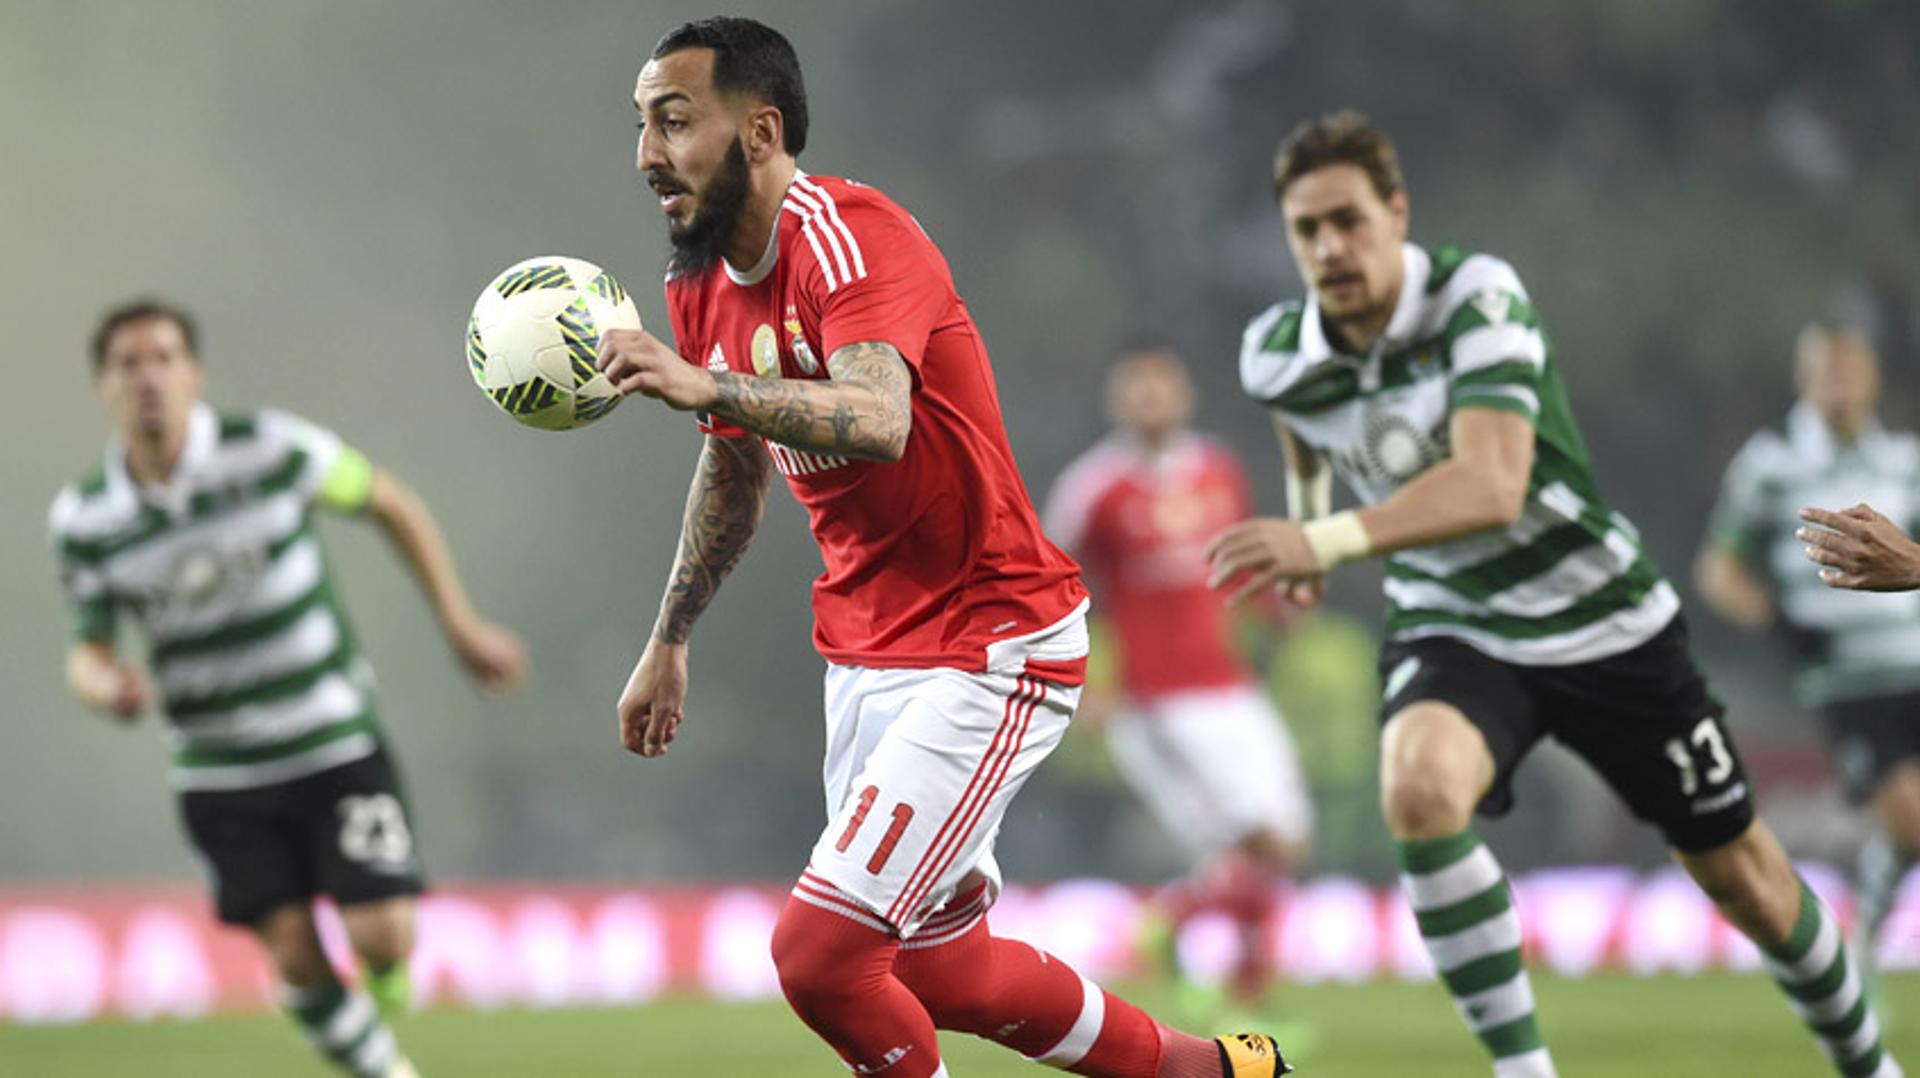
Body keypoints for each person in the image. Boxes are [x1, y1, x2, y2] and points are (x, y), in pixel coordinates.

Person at [596, 17, 1288, 1078]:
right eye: (642, 126)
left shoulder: (856, 237)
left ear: (763, 130)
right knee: (938, 970)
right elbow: (733, 472)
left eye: (675, 123)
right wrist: (669, 635)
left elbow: (879, 416)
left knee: (822, 956)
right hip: (869, 653)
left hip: (992, 637)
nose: (648, 154)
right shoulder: (696, 287)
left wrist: (709, 386)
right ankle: (1224, 1069)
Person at [1209, 110, 1902, 1078]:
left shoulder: (1475, 301)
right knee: (1416, 787)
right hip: (1456, 626)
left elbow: (1493, 484)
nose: (1330, 247)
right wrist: (1307, 518)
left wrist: (1321, 534)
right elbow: (1305, 425)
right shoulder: (1275, 350)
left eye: (1349, 221)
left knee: (1744, 878)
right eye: (1307, 230)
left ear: (1397, 212)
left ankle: (1868, 1061)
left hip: (1602, 620)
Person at [50, 300, 527, 1078]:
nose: (148, 378)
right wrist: (105, 688)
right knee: (295, 953)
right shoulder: (85, 520)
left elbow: (387, 500)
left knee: (383, 937)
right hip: (218, 766)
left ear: (193, 373)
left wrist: (459, 625)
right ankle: (389, 1072)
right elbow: (87, 650)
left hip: (329, 734)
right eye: (128, 363)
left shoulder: (269, 449)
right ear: (103, 384)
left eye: (164, 357)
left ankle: (384, 970)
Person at [1044, 343, 1313, 1008]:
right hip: (1153, 700)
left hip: (1229, 684)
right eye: (1137, 389)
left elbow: (1239, 560)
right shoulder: (1094, 487)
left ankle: (1179, 923)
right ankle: (1241, 981)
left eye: (1162, 386)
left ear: (1184, 395)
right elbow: (1051, 584)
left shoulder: (1218, 469)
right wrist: (1087, 681)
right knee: (1262, 841)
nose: (1151, 400)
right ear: (1116, 401)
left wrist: (1273, 605)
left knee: (1282, 841)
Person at [1698, 323, 1920, 971]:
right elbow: (1719, 568)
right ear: (1804, 379)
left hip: (1915, 660)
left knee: (1910, 833)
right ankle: (1870, 943)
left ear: (1874, 377)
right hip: (1846, 678)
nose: (1838, 384)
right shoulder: (1770, 465)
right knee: (1911, 819)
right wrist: (1777, 621)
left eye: (1849, 369)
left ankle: (1876, 904)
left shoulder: (1905, 462)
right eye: (1825, 371)